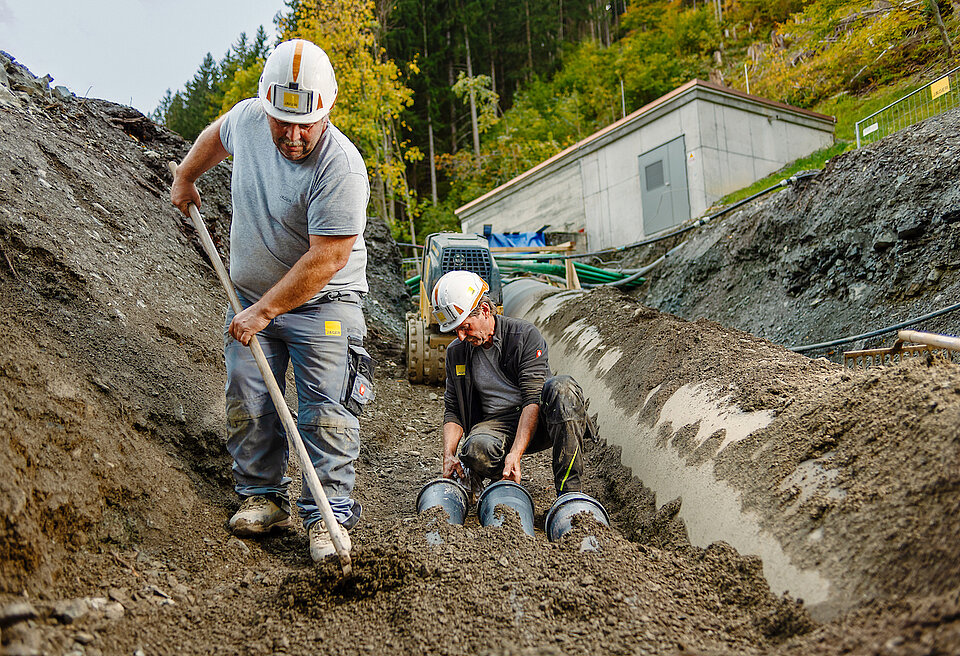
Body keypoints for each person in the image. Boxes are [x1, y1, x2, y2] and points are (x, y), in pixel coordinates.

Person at [170, 39, 372, 562]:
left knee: (327, 409)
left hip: (324, 303)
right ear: (266, 106)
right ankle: (260, 496)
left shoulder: (342, 168)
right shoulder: (249, 121)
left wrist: (263, 312)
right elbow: (217, 136)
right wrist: (187, 175)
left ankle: (327, 518)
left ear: (326, 110)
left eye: (306, 124)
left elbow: (326, 259)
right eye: (283, 122)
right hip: (252, 298)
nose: (294, 135)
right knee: (249, 396)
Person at [434, 271, 596, 499]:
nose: (460, 336)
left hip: (540, 420)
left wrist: (516, 453)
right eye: (455, 330)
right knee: (476, 450)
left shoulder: (523, 336)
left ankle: (570, 494)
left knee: (563, 389)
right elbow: (453, 410)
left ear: (485, 311)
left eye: (465, 327)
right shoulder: (456, 353)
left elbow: (532, 398)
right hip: (496, 423)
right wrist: (449, 454)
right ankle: (504, 483)